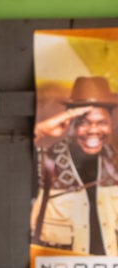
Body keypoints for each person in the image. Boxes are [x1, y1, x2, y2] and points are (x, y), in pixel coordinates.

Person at [31, 75, 118, 255]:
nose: (93, 130)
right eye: (83, 123)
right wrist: (40, 130)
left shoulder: (115, 163)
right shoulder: (45, 162)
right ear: (70, 123)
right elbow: (5, 156)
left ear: (111, 124)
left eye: (102, 122)